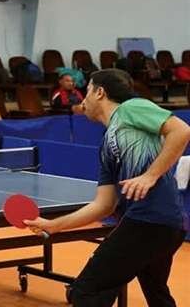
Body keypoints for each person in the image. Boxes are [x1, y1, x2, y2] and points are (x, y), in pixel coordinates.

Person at [25, 69, 189, 307]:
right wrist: (54, 225)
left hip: (149, 219)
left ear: (100, 92)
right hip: (167, 225)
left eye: (87, 91)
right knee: (157, 295)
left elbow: (181, 130)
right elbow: (104, 205)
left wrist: (150, 175)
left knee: (85, 292)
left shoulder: (130, 108)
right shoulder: (106, 146)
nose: (83, 100)